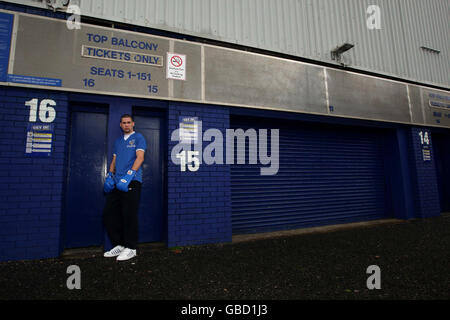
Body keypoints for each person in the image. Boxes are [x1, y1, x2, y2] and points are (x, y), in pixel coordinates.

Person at [102, 114, 146, 261]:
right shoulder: (118, 142)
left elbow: (140, 157)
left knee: (129, 215)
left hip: (131, 181)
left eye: (129, 122)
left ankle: (131, 248)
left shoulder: (138, 138)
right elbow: (114, 160)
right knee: (110, 214)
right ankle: (120, 245)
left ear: (133, 124)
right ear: (120, 125)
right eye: (124, 123)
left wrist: (129, 175)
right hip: (117, 182)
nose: (126, 125)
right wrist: (109, 175)